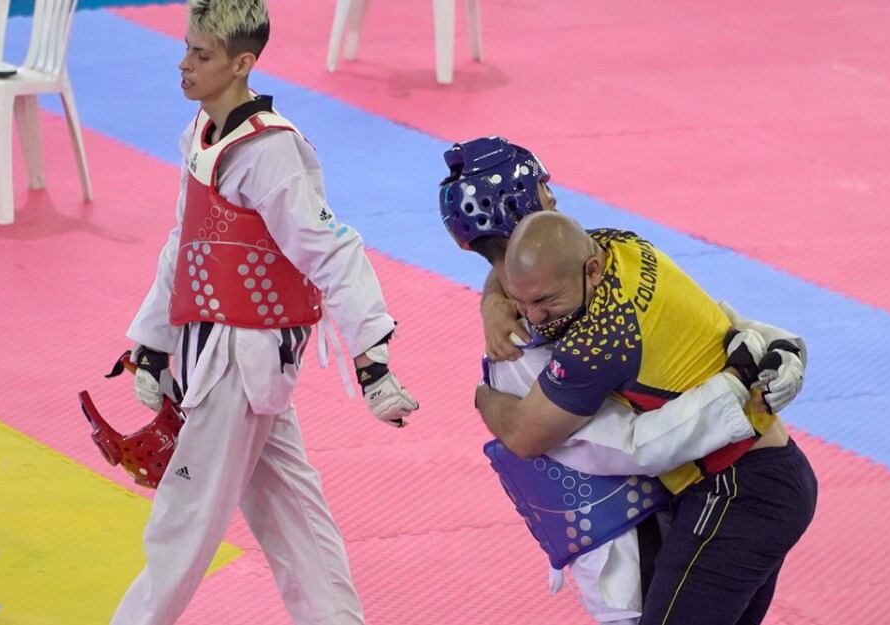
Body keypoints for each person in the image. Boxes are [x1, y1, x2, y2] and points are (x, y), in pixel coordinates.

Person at [111, 2, 418, 623]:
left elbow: (333, 249)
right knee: (295, 520)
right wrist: (152, 343)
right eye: (186, 47)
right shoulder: (201, 131)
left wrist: (373, 361)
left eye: (202, 55)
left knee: (184, 522)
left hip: (241, 359)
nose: (185, 64)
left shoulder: (271, 153)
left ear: (242, 63)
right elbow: (186, 240)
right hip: (213, 348)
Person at [438, 137, 810, 623]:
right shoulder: (616, 243)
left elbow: (532, 435)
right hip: (712, 490)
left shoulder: (594, 333)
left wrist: (483, 400)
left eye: (541, 301)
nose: (554, 196)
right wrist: (494, 298)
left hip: (730, 489)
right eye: (543, 190)